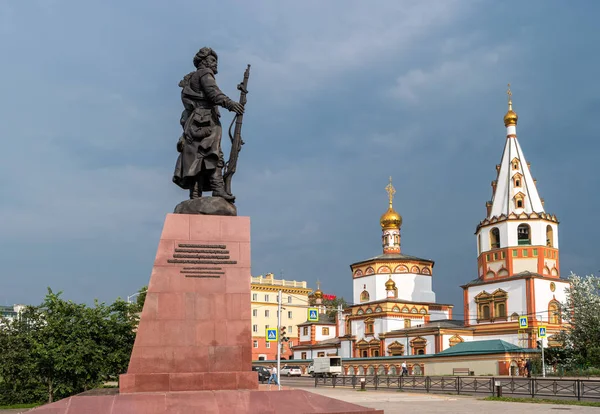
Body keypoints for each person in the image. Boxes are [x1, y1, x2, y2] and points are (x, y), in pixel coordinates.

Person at [173, 47, 244, 201]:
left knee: (199, 158)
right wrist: (231, 104)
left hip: (195, 121)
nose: (215, 64)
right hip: (205, 120)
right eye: (212, 60)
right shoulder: (205, 73)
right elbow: (213, 93)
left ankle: (195, 195)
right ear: (203, 62)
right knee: (212, 154)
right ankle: (218, 188)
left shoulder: (192, 77)